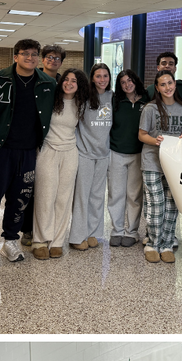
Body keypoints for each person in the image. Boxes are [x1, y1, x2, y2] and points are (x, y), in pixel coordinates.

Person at [0, 39, 55, 268]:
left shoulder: (47, 83)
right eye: (25, 54)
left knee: (20, 199)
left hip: (29, 150)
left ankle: (11, 240)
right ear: (15, 56)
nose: (30, 58)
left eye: (34, 54)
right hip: (1, 149)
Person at [31, 68, 89, 260]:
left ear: (79, 85)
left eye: (74, 81)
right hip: (48, 151)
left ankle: (57, 241)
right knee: (45, 196)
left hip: (70, 153)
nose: (69, 83)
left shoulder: (81, 104)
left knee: (64, 198)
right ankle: (40, 240)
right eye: (66, 79)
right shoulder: (51, 100)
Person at [138, 70, 182, 264]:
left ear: (174, 84)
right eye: (163, 85)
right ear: (157, 88)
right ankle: (153, 243)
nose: (167, 87)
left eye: (170, 83)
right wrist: (156, 141)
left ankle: (168, 243)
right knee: (156, 204)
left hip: (174, 164)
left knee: (172, 205)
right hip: (152, 161)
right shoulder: (150, 108)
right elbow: (142, 135)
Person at [69, 63, 112, 251]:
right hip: (85, 152)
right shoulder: (84, 97)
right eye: (98, 76)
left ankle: (93, 232)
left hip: (103, 154)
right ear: (92, 78)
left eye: (105, 76)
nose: (102, 80)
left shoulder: (112, 97)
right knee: (82, 195)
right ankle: (78, 236)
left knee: (97, 196)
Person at [108, 69, 146, 247]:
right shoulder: (115, 101)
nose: (127, 85)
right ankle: (117, 230)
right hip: (116, 152)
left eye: (130, 80)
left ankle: (131, 232)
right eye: (123, 82)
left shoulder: (146, 101)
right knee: (116, 194)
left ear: (135, 81)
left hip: (138, 154)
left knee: (134, 195)